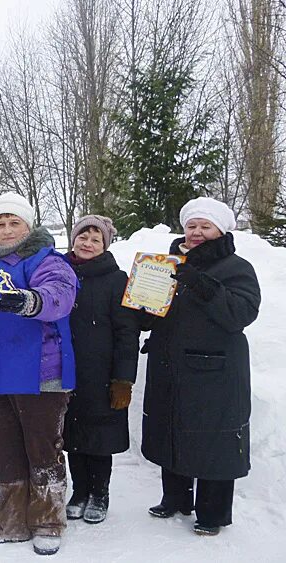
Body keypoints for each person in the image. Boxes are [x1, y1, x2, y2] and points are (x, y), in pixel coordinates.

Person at [142, 197, 260, 536]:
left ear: (220, 230)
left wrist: (199, 282)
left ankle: (212, 513)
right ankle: (176, 497)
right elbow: (154, 313)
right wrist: (141, 306)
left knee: (213, 439)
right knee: (172, 427)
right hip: (170, 363)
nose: (196, 232)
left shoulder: (236, 268)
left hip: (215, 371)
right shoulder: (166, 265)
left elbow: (240, 313)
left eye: (205, 226)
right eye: (191, 226)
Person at [0, 193, 77, 556]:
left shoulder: (47, 261)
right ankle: (11, 521)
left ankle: (47, 521)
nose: (6, 229)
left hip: (38, 374)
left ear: (29, 226)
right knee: (6, 452)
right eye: (0, 223)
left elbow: (59, 294)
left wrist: (32, 301)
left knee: (42, 450)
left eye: (14, 222)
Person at [62, 215, 140, 524]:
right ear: (73, 240)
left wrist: (123, 378)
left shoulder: (116, 279)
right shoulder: (60, 274)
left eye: (96, 239)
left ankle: (99, 493)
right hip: (67, 369)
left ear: (105, 245)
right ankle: (79, 492)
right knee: (72, 435)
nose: (88, 243)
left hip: (102, 373)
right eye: (83, 237)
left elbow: (127, 331)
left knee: (99, 437)